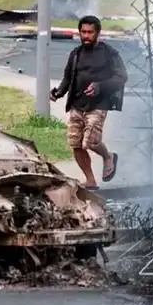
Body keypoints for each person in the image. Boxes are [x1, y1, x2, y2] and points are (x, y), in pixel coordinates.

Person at [50, 16, 127, 190]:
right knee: (76, 144)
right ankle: (90, 180)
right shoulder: (75, 54)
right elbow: (68, 77)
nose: (86, 36)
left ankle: (108, 157)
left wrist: (101, 87)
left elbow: (121, 77)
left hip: (99, 103)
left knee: (91, 142)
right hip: (77, 104)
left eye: (90, 32)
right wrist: (59, 92)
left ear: (97, 33)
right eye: (83, 32)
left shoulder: (109, 53)